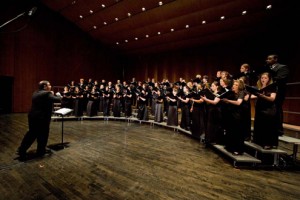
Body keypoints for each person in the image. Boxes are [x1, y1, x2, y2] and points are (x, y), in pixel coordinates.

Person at [16, 80, 62, 161]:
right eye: (49, 85)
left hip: (33, 116)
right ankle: (40, 151)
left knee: (31, 134)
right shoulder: (47, 94)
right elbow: (58, 100)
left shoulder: (35, 92)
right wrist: (58, 95)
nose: (50, 86)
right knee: (43, 134)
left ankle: (21, 150)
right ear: (45, 86)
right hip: (42, 118)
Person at [252, 72, 278, 149]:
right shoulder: (259, 86)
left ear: (269, 79)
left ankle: (268, 143)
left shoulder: (272, 87)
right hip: (260, 107)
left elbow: (272, 98)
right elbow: (254, 96)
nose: (263, 79)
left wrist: (262, 96)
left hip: (268, 108)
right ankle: (259, 141)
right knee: (259, 124)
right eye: (262, 78)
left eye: (265, 78)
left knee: (267, 126)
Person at [265, 54, 289, 136]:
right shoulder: (267, 68)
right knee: (269, 109)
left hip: (279, 91)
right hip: (269, 91)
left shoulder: (282, 67)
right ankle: (270, 127)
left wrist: (268, 78)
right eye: (267, 59)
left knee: (277, 108)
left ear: (275, 59)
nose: (267, 60)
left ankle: (279, 130)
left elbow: (281, 78)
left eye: (269, 59)